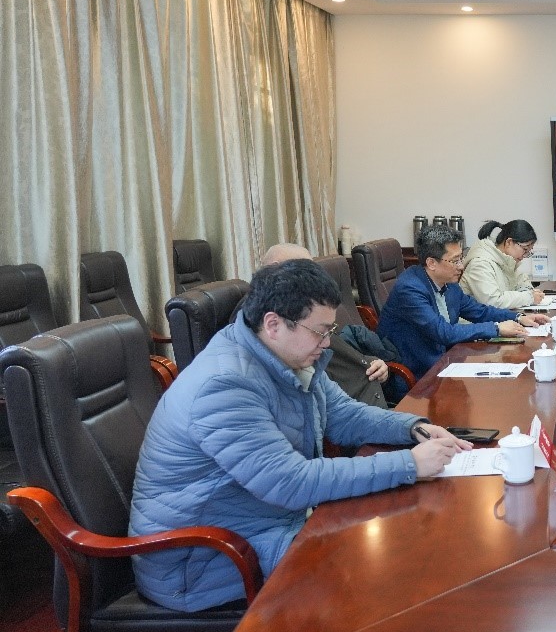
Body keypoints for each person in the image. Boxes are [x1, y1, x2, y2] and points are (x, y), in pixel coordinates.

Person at [129, 260, 472, 611]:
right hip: (202, 560)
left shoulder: (287, 355)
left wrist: (412, 428)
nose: (328, 342)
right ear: (273, 324)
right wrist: (408, 464)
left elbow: (343, 414)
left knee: (403, 536)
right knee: (385, 568)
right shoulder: (224, 385)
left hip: (266, 522)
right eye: (320, 331)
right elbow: (289, 482)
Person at [378, 225, 550, 376]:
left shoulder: (449, 283)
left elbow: (479, 311)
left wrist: (518, 318)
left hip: (446, 362)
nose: (461, 266)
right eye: (454, 261)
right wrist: (496, 328)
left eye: (460, 258)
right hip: (418, 375)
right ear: (431, 263)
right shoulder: (410, 289)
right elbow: (443, 332)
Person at [261, 243, 395, 408]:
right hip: (355, 410)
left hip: (370, 402)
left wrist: (373, 362)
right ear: (275, 270)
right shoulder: (269, 319)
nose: (313, 279)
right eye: (305, 271)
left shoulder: (306, 308)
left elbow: (340, 359)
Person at [459, 219, 544, 309]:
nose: (525, 255)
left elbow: (523, 283)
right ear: (509, 242)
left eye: (529, 252)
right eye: (525, 249)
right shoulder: (480, 264)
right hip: (475, 318)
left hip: (501, 316)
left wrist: (529, 293)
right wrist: (529, 298)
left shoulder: (508, 260)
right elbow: (492, 301)